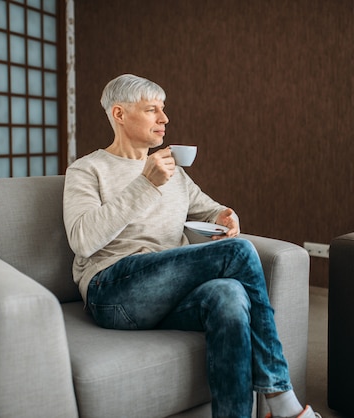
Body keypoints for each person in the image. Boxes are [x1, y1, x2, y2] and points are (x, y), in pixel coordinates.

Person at [63, 74, 321, 418]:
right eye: (152, 110)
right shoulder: (87, 170)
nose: (164, 119)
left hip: (166, 294)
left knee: (229, 294)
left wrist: (226, 215)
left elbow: (210, 209)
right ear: (119, 114)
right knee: (239, 252)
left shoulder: (174, 172)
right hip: (112, 294)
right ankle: (282, 401)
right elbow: (82, 240)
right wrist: (144, 184)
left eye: (164, 110)